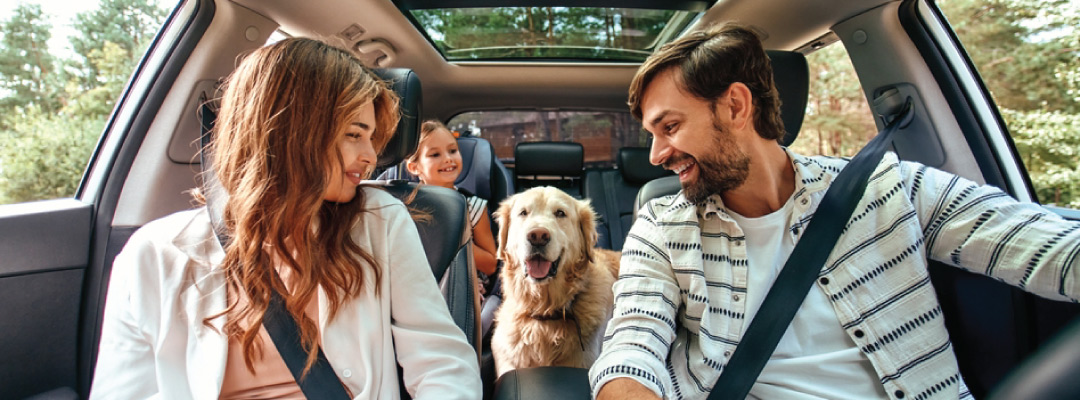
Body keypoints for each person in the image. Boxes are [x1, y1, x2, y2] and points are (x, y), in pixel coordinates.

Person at [590, 23, 1080, 400]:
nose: (655, 155)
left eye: (669, 126)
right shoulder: (661, 225)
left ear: (736, 107)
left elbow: (1043, 246)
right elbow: (635, 338)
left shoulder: (890, 188)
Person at [90, 38, 481, 399]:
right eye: (354, 134)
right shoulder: (153, 255)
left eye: (372, 138)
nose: (371, 157)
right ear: (292, 131)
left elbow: (442, 362)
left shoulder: (380, 221)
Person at [406, 120, 499, 293]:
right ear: (414, 167)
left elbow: (491, 265)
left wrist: (450, 240)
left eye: (453, 151)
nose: (448, 159)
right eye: (435, 155)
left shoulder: (473, 207)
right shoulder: (405, 207)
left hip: (462, 289)